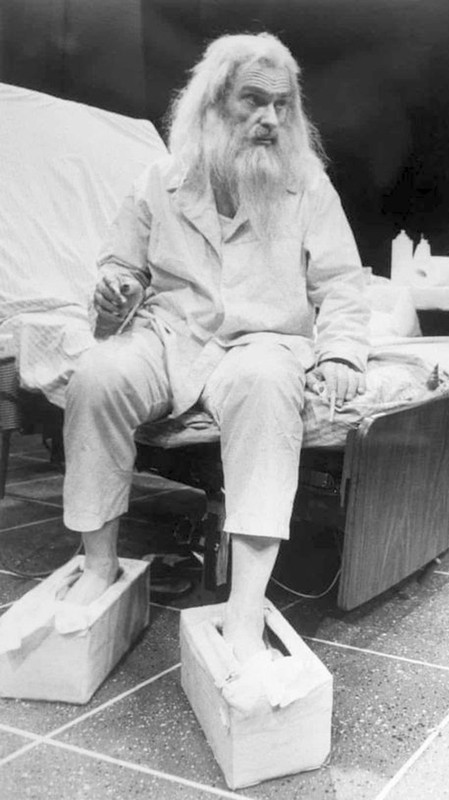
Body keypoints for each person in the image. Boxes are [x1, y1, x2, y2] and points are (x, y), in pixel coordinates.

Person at [62, 32, 370, 664]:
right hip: (171, 334)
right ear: (213, 103)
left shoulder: (308, 186)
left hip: (262, 341)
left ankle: (246, 605)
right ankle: (98, 565)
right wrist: (117, 289)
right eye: (254, 100)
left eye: (282, 105)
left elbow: (341, 283)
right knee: (96, 375)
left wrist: (340, 352)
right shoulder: (160, 180)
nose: (271, 118)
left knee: (266, 387)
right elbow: (121, 265)